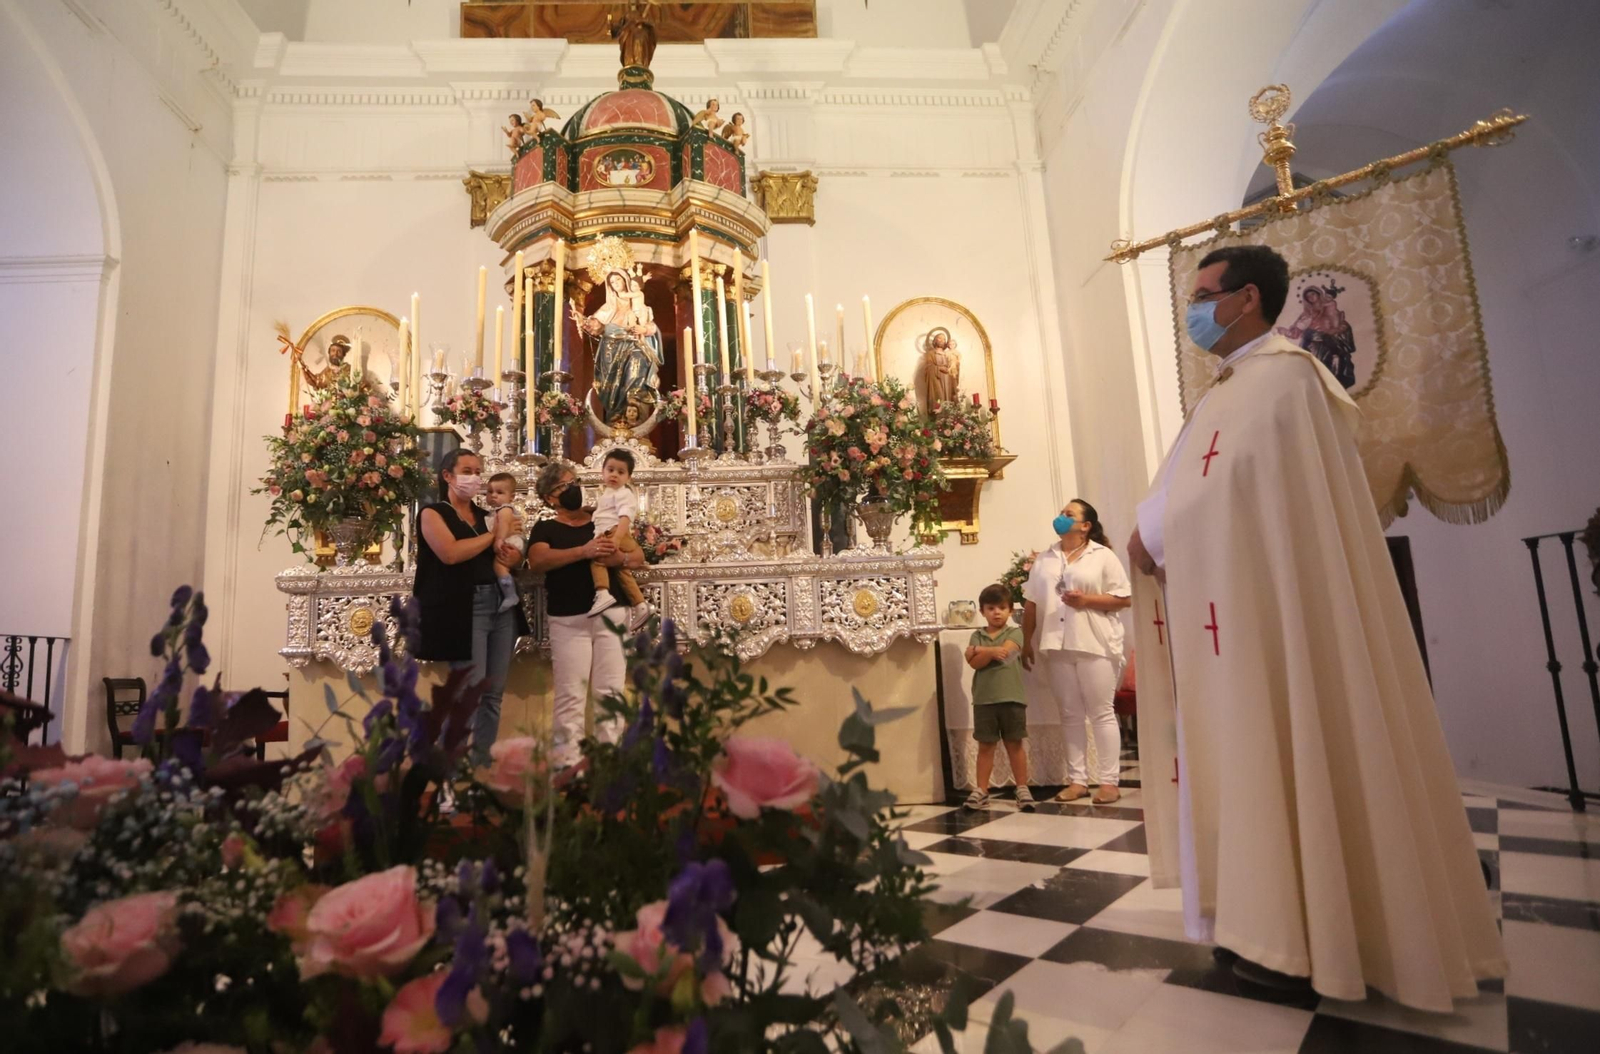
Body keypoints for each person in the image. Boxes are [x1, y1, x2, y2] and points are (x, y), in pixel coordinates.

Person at [1128, 244, 1504, 1010]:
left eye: (1204, 294)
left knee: (1289, 733)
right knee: (1246, 749)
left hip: (1270, 616)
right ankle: (1258, 919)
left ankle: (1304, 936)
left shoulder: (1287, 384)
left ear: (1247, 300)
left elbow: (1220, 492)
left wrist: (1157, 533)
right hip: (1230, 612)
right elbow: (1207, 483)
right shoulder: (1233, 390)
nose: (1194, 311)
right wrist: (1155, 533)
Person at [525, 461, 645, 768]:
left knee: (610, 691)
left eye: (574, 481)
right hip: (569, 620)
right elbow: (537, 561)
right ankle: (567, 767)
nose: (573, 489)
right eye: (564, 486)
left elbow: (639, 557)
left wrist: (620, 557)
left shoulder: (602, 517)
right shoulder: (546, 528)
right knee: (570, 695)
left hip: (611, 615)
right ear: (550, 498)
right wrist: (583, 552)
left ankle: (610, 765)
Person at [412, 449, 526, 766]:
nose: (474, 477)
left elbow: (511, 550)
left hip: (500, 604)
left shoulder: (487, 513)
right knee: (466, 694)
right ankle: (450, 772)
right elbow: (450, 553)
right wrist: (493, 537)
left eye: (478, 471)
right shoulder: (434, 513)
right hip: (464, 608)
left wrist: (511, 553)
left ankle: (481, 767)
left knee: (492, 692)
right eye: (467, 470)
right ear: (448, 475)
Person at [1021, 499, 1132, 804]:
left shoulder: (1102, 556)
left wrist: (1086, 601)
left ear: (1085, 526)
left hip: (1094, 642)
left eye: (1069, 515)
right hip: (1056, 643)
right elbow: (1031, 602)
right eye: (1061, 513)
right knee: (1069, 714)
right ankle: (1078, 780)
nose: (1061, 517)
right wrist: (1027, 639)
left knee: (1101, 713)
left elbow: (1124, 599)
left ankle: (1109, 782)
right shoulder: (1045, 558)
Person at [964, 583, 1034, 812]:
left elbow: (1007, 654)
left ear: (1010, 611)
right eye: (991, 608)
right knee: (985, 746)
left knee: (1015, 744)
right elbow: (974, 663)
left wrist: (983, 651)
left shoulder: (1015, 632)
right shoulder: (977, 634)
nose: (996, 612)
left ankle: (1022, 788)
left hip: (1011, 697)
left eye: (1002, 607)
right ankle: (981, 790)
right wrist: (988, 652)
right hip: (984, 699)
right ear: (982, 611)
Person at [585, 448, 647, 625]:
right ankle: (640, 604)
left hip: (614, 532)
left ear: (629, 478)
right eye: (610, 470)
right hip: (610, 531)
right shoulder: (609, 493)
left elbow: (625, 517)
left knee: (598, 559)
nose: (614, 475)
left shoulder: (623, 493)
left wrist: (616, 539)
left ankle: (603, 593)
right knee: (622, 571)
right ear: (602, 471)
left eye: (621, 472)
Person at [485, 472, 525, 613]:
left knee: (499, 566)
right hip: (507, 539)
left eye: (499, 492)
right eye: (490, 492)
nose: (493, 495)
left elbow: (504, 525)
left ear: (511, 497)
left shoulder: (505, 509)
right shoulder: (495, 510)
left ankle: (510, 595)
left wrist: (499, 539)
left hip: (508, 541)